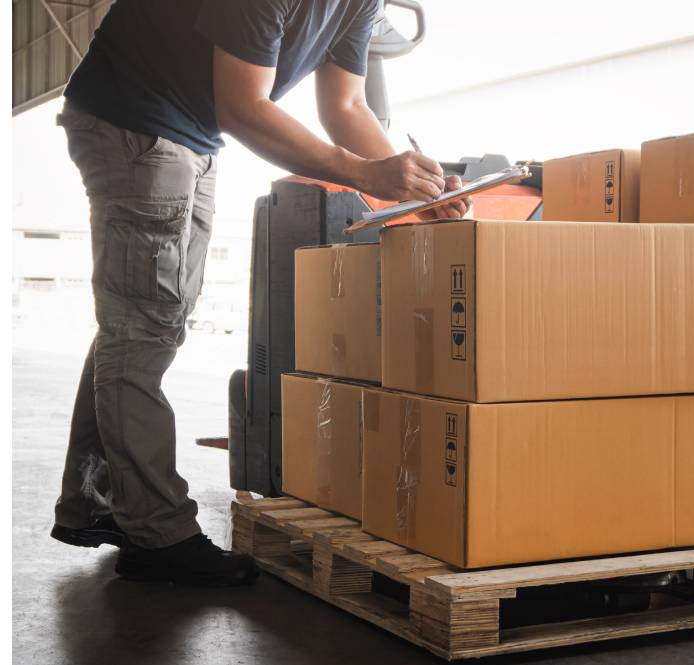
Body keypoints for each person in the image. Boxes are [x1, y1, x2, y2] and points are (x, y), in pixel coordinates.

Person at [49, 0, 468, 587]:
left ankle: (97, 501)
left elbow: (346, 105)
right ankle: (156, 534)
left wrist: (415, 184)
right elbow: (244, 105)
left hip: (190, 130)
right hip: (134, 119)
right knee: (143, 328)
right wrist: (367, 175)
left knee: (140, 320)